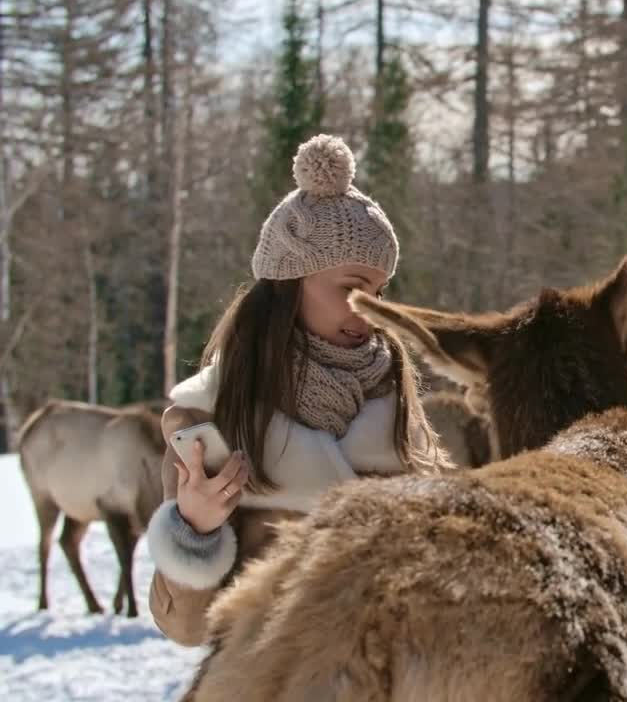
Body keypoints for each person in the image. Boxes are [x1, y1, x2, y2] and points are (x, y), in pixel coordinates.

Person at [146, 134, 447, 645]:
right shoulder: (207, 421)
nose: (369, 309)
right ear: (291, 280)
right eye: (352, 288)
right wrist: (194, 529)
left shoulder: (395, 406)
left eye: (378, 292)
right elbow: (187, 630)